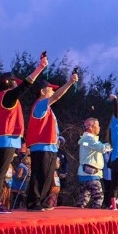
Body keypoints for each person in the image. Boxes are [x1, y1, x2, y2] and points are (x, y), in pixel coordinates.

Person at [0, 55, 48, 214]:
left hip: (2, 137)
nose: (17, 86)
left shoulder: (1, 97)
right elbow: (25, 86)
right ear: (8, 82)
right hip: (5, 138)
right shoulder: (7, 95)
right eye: (15, 82)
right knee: (0, 172)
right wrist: (39, 68)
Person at [25, 71, 78, 211]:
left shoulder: (47, 109)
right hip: (42, 146)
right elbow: (57, 96)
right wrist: (70, 83)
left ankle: (41, 201)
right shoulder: (40, 104)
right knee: (39, 174)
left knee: (47, 176)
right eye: (50, 88)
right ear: (42, 91)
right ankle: (33, 202)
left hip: (50, 147)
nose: (53, 90)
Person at [77, 118, 110, 208]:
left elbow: (94, 147)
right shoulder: (89, 138)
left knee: (83, 199)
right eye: (97, 125)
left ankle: (78, 217)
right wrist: (112, 144)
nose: (99, 127)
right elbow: (102, 148)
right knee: (98, 197)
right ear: (91, 127)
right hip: (90, 174)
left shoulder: (86, 140)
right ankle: (94, 217)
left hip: (85, 172)